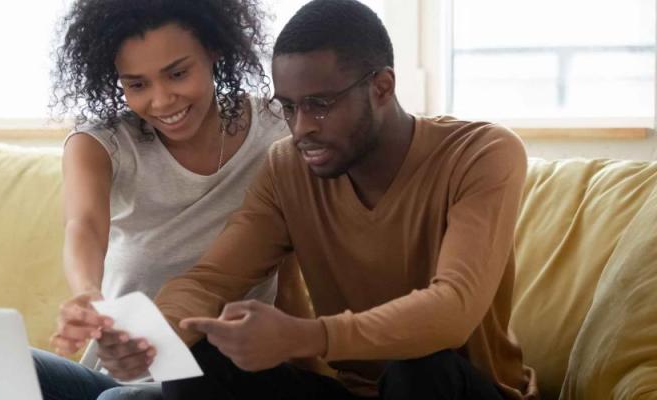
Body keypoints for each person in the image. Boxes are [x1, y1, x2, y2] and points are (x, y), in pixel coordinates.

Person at [90, 0, 540, 399]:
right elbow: (209, 281)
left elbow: (453, 310)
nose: (300, 126)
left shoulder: (482, 153)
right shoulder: (288, 167)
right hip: (353, 391)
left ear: (382, 87)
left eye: (320, 104)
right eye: (288, 107)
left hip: (458, 386)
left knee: (420, 364)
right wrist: (152, 337)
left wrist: (309, 336)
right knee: (203, 359)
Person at [32, 0, 289, 399]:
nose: (162, 100)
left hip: (216, 379)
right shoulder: (102, 144)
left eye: (178, 73)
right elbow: (83, 224)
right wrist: (87, 290)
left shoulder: (276, 132)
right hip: (116, 372)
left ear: (213, 50)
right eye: (137, 84)